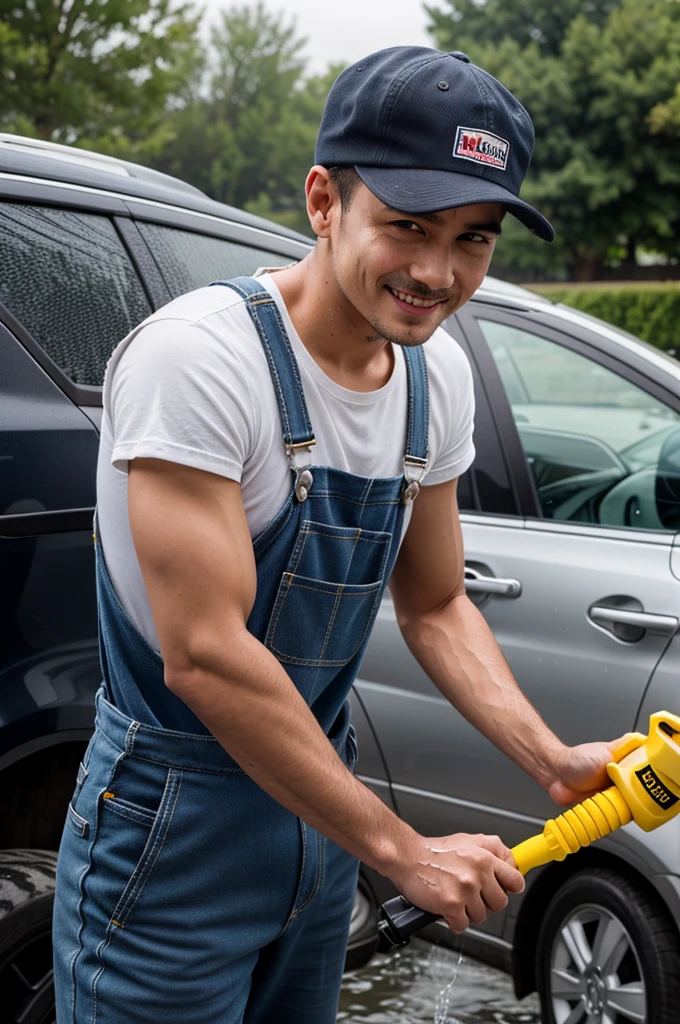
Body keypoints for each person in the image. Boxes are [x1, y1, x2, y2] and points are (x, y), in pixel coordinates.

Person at [53, 46, 623, 1024]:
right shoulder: (199, 359)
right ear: (323, 201)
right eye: (406, 226)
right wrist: (403, 849)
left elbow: (436, 602)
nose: (436, 272)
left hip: (319, 813)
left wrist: (547, 758)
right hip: (170, 823)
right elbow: (204, 653)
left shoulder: (431, 380)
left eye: (472, 240)